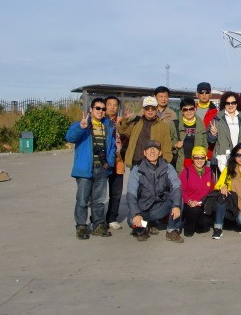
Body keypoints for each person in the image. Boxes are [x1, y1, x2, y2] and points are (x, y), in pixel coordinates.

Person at [66, 98, 116, 239]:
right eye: (97, 108)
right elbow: (69, 137)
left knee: (99, 200)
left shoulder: (108, 126)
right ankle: (81, 226)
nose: (101, 111)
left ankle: (98, 225)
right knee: (82, 200)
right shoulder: (82, 124)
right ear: (91, 109)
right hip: (85, 169)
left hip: (102, 169)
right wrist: (80, 127)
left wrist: (109, 162)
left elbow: (112, 146)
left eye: (103, 109)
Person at [126, 140, 183, 243]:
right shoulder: (137, 169)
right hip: (143, 209)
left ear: (160, 153)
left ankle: (172, 230)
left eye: (155, 149)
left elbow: (176, 186)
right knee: (132, 221)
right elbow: (131, 193)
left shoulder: (168, 167)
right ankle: (144, 226)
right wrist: (136, 214)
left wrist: (176, 206)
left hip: (160, 208)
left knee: (178, 200)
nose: (152, 151)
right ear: (144, 153)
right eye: (149, 149)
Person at [207, 92, 241, 177]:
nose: (230, 105)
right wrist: (213, 134)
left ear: (237, 103)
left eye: (233, 103)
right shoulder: (217, 119)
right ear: (224, 104)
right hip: (223, 159)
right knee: (225, 183)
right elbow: (210, 141)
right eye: (227, 103)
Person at [118, 96, 173, 169]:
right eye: (147, 108)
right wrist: (125, 119)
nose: (150, 110)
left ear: (156, 108)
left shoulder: (164, 126)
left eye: (153, 108)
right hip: (135, 163)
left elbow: (167, 146)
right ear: (143, 109)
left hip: (154, 164)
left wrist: (165, 162)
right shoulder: (136, 122)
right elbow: (122, 130)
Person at [179, 146, 213, 237]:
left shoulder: (209, 171)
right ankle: (188, 229)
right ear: (192, 158)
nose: (199, 160)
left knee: (204, 225)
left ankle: (197, 224)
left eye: (202, 157)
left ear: (205, 158)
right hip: (189, 205)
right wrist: (189, 201)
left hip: (203, 204)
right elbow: (180, 190)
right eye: (196, 157)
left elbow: (212, 189)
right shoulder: (186, 171)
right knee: (194, 211)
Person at [104, 95, 126, 230]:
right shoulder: (100, 120)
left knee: (116, 192)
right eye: (109, 104)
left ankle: (112, 218)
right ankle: (97, 218)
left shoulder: (121, 121)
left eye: (115, 105)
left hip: (118, 161)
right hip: (103, 161)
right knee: (98, 192)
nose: (112, 107)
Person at [171, 97, 207, 170]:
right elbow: (167, 142)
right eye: (185, 109)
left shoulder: (201, 124)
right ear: (181, 111)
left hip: (197, 162)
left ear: (195, 109)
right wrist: (175, 145)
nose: (189, 112)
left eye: (191, 109)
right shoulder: (174, 124)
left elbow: (205, 144)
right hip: (180, 162)